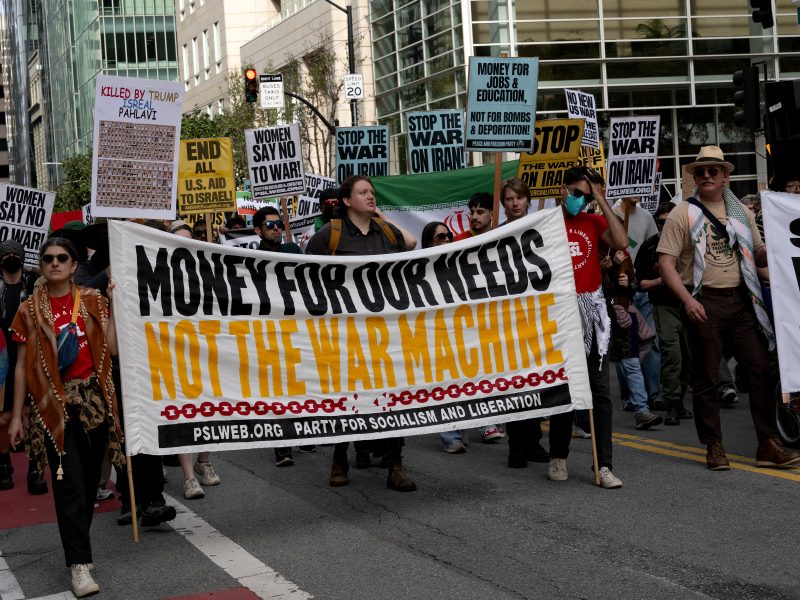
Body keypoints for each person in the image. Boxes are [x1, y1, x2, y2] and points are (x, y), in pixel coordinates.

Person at [657, 145, 800, 470]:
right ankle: (714, 445)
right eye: (700, 171)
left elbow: (760, 255)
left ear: (724, 176)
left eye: (712, 171)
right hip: (704, 300)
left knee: (760, 370)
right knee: (707, 377)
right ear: (695, 177)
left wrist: (783, 251)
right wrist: (688, 300)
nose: (706, 176)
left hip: (742, 300)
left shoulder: (742, 212)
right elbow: (666, 263)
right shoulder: (684, 212)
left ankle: (767, 443)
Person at [8, 238, 125, 597]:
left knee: (88, 485)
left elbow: (113, 349)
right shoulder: (28, 310)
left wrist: (117, 308)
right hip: (53, 408)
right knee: (68, 484)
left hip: (94, 402)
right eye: (48, 259)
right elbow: (20, 367)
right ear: (41, 266)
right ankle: (79, 565)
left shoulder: (93, 300)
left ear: (74, 265)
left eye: (62, 258)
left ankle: (78, 547)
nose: (55, 263)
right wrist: (16, 417)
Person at [306, 175, 416, 492]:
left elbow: (409, 243)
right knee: (348, 400)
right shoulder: (331, 235)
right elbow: (306, 277)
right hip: (346, 335)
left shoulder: (385, 232)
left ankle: (396, 464)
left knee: (392, 399)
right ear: (346, 200)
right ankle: (340, 458)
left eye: (372, 192)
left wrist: (379, 215)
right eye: (363, 192)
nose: (371, 196)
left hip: (385, 334)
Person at [550, 166, 629, 488]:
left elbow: (622, 240)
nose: (580, 200)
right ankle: (558, 455)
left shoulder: (594, 222)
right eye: (577, 193)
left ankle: (603, 465)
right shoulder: (548, 224)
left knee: (599, 392)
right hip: (559, 315)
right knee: (563, 389)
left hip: (592, 315)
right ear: (563, 189)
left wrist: (599, 198)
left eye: (587, 194)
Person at [252, 205, 316, 465]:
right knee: (277, 387)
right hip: (270, 329)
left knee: (300, 381)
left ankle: (302, 432)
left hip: (297, 326)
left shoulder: (292, 250)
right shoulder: (250, 258)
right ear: (258, 231)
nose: (276, 228)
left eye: (279, 223)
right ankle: (282, 444)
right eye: (270, 225)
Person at [166, 221, 225, 497]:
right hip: (174, 351)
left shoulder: (207, 273)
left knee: (208, 409)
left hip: (206, 349)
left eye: (189, 240)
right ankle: (189, 477)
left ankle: (204, 462)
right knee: (182, 411)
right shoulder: (160, 275)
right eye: (179, 240)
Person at [634, 202, 693, 425]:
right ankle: (671, 402)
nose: (665, 226)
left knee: (688, 356)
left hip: (688, 304)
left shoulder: (689, 243)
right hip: (664, 306)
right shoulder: (650, 247)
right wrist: (664, 278)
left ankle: (680, 399)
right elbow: (641, 284)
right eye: (661, 222)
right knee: (672, 353)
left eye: (670, 222)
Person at [602, 250, 662, 430]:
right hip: (596, 317)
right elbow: (592, 286)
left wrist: (626, 284)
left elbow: (634, 287)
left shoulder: (623, 255)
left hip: (621, 317)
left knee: (631, 364)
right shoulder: (593, 251)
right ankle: (581, 417)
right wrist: (608, 268)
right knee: (592, 368)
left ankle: (641, 410)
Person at [0, 240, 42, 493]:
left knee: (33, 412)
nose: (12, 257)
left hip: (31, 355)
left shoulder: (35, 285)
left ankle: (35, 467)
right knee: (3, 416)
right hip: (3, 356)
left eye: (16, 253)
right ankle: (4, 464)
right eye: (7, 254)